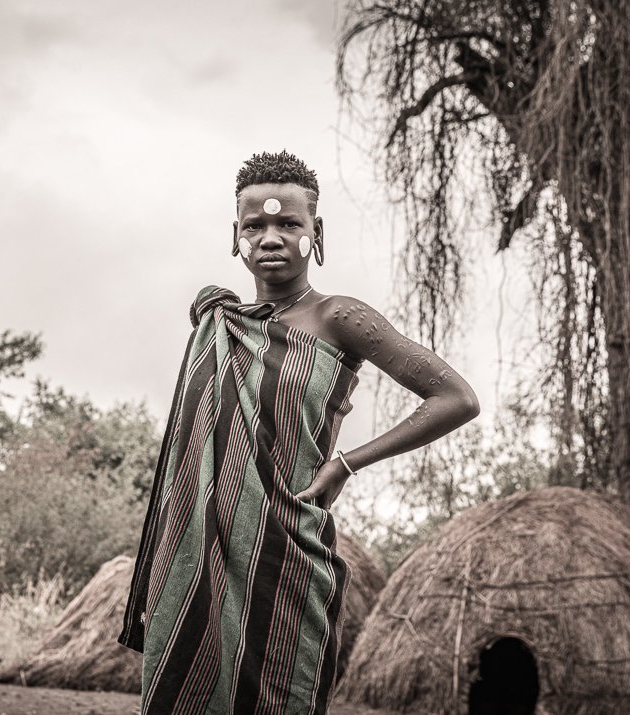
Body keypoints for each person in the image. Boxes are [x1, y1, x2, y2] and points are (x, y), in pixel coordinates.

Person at [118, 150, 480, 713]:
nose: (270, 237)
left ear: (316, 232)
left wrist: (346, 462)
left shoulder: (338, 318)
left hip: (288, 551)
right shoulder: (220, 325)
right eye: (254, 225)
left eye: (288, 223)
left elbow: (456, 398)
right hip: (199, 555)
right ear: (234, 236)